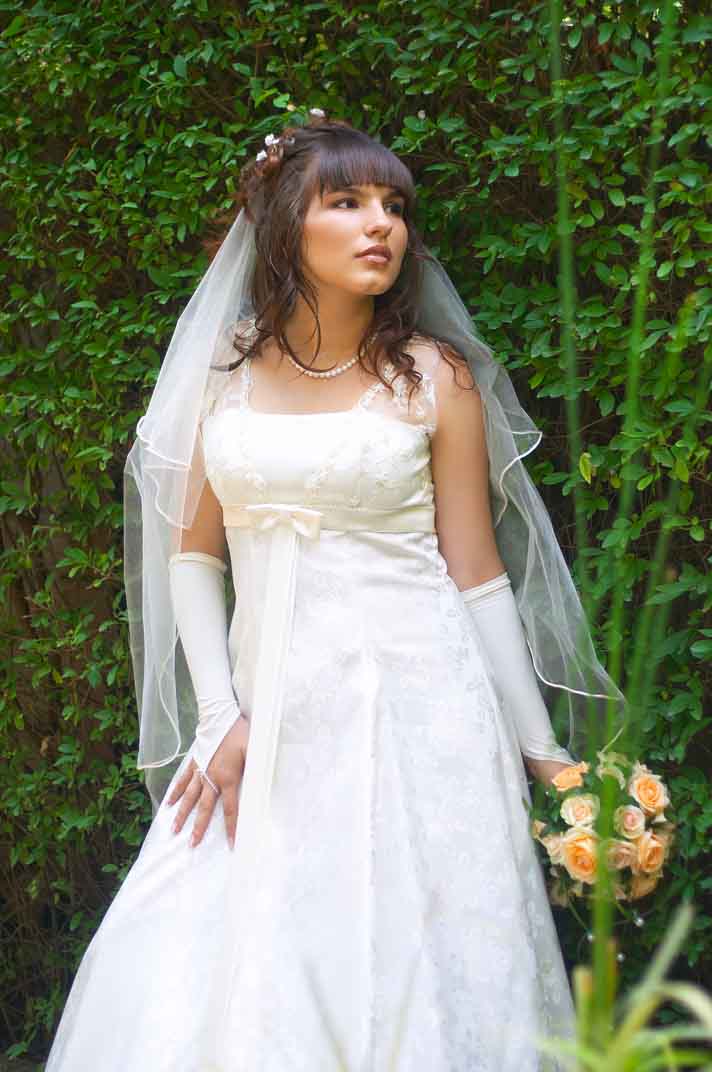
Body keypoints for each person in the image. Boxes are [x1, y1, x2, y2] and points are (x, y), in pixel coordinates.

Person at [45, 113, 626, 1071]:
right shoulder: (224, 371)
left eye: (393, 205)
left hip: (418, 709)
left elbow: (479, 575)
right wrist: (217, 718)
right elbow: (194, 558)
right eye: (348, 202)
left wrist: (544, 753)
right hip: (266, 711)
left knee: (415, 949)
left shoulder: (437, 377)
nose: (380, 224)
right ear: (285, 225)